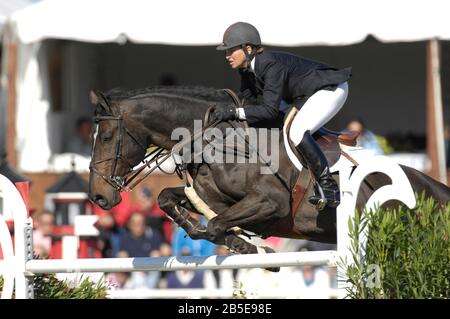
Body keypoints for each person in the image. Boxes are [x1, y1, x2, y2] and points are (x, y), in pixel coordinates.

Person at [214, 22, 351, 209]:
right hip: (303, 95)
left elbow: (268, 109)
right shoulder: (246, 69)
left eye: (231, 50)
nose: (227, 56)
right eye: (226, 52)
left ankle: (328, 185)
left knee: (297, 131)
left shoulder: (270, 64)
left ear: (248, 48)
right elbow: (247, 101)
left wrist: (235, 113)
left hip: (329, 89)